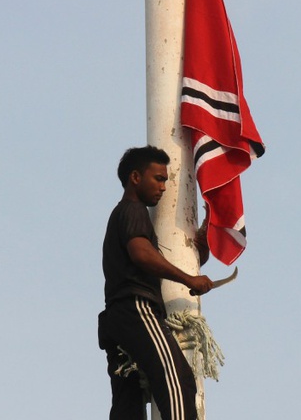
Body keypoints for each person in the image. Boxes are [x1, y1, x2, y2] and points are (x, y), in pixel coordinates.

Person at [98, 146, 214, 420]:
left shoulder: (122, 216)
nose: (164, 186)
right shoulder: (132, 210)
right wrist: (188, 278)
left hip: (116, 319)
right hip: (136, 308)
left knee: (129, 402)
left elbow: (149, 259)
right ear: (136, 177)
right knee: (176, 378)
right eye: (159, 178)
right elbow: (141, 254)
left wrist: (198, 256)